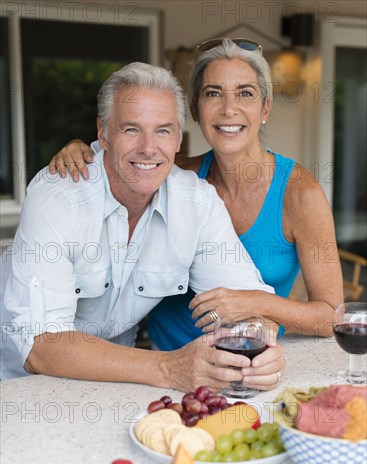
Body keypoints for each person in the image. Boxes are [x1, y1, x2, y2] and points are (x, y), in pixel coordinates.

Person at [1, 62, 285, 391]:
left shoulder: (197, 204)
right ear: (104, 134)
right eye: (131, 129)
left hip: (115, 383)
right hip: (20, 390)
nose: (148, 148)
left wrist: (262, 347)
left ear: (179, 137)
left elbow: (248, 303)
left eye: (163, 130)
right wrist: (168, 367)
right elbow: (40, 346)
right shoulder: (58, 198)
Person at [49, 39, 343, 350]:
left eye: (245, 93)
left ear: (265, 107)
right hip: (160, 363)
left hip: (249, 359)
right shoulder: (174, 177)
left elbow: (330, 317)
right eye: (213, 93)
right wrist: (85, 152)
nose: (229, 109)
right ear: (195, 109)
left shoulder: (300, 194)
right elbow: (124, 158)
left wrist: (254, 302)